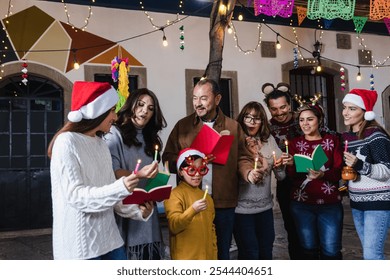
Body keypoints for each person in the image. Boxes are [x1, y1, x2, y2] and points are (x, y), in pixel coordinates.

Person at [47, 81, 157, 260]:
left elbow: (110, 197)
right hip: (81, 249)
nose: (115, 117)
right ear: (98, 111)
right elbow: (77, 197)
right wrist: (121, 187)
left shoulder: (100, 144)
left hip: (111, 241)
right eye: (112, 110)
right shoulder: (66, 142)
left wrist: (137, 211)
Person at [162, 78, 263, 260]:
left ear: (217, 99)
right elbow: (167, 158)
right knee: (193, 251)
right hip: (191, 202)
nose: (197, 104)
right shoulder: (182, 126)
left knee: (221, 252)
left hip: (223, 202)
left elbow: (243, 157)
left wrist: (249, 173)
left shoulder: (233, 127)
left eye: (203, 98)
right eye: (194, 98)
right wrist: (190, 162)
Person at [104, 88, 167, 260]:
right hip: (125, 207)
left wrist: (159, 184)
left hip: (147, 207)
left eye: (150, 108)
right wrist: (140, 174)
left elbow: (153, 175)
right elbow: (114, 172)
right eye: (140, 104)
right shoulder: (114, 134)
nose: (145, 111)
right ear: (131, 105)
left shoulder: (151, 138)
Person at [284, 102, 343, 259]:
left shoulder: (331, 141)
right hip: (301, 204)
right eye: (302, 120)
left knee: (331, 250)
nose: (305, 124)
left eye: (310, 119)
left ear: (319, 119)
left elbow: (339, 172)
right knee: (308, 248)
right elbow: (293, 177)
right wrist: (291, 165)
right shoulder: (294, 143)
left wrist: (323, 175)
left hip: (329, 204)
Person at [341, 89, 390, 260]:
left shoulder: (376, 136)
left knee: (372, 255)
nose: (345, 113)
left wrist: (358, 164)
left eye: (352, 108)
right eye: (345, 107)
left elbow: (386, 171)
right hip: (357, 202)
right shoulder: (347, 137)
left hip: (377, 202)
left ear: (364, 112)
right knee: (369, 253)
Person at [234, 101, 285, 260]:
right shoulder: (235, 141)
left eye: (256, 118)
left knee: (266, 251)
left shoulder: (269, 140)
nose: (251, 122)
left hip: (265, 208)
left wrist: (279, 166)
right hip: (241, 209)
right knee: (250, 253)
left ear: (262, 121)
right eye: (247, 118)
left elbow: (281, 176)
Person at [262, 82, 303, 259]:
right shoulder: (267, 129)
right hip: (285, 182)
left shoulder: (304, 120)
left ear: (290, 104)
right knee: (291, 228)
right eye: (274, 109)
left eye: (283, 107)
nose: (279, 112)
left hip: (310, 179)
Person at [164, 148, 217, 259]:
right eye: (192, 170)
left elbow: (211, 232)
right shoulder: (174, 195)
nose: (197, 175)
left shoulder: (207, 197)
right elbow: (174, 226)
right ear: (181, 172)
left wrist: (213, 256)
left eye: (201, 170)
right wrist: (192, 210)